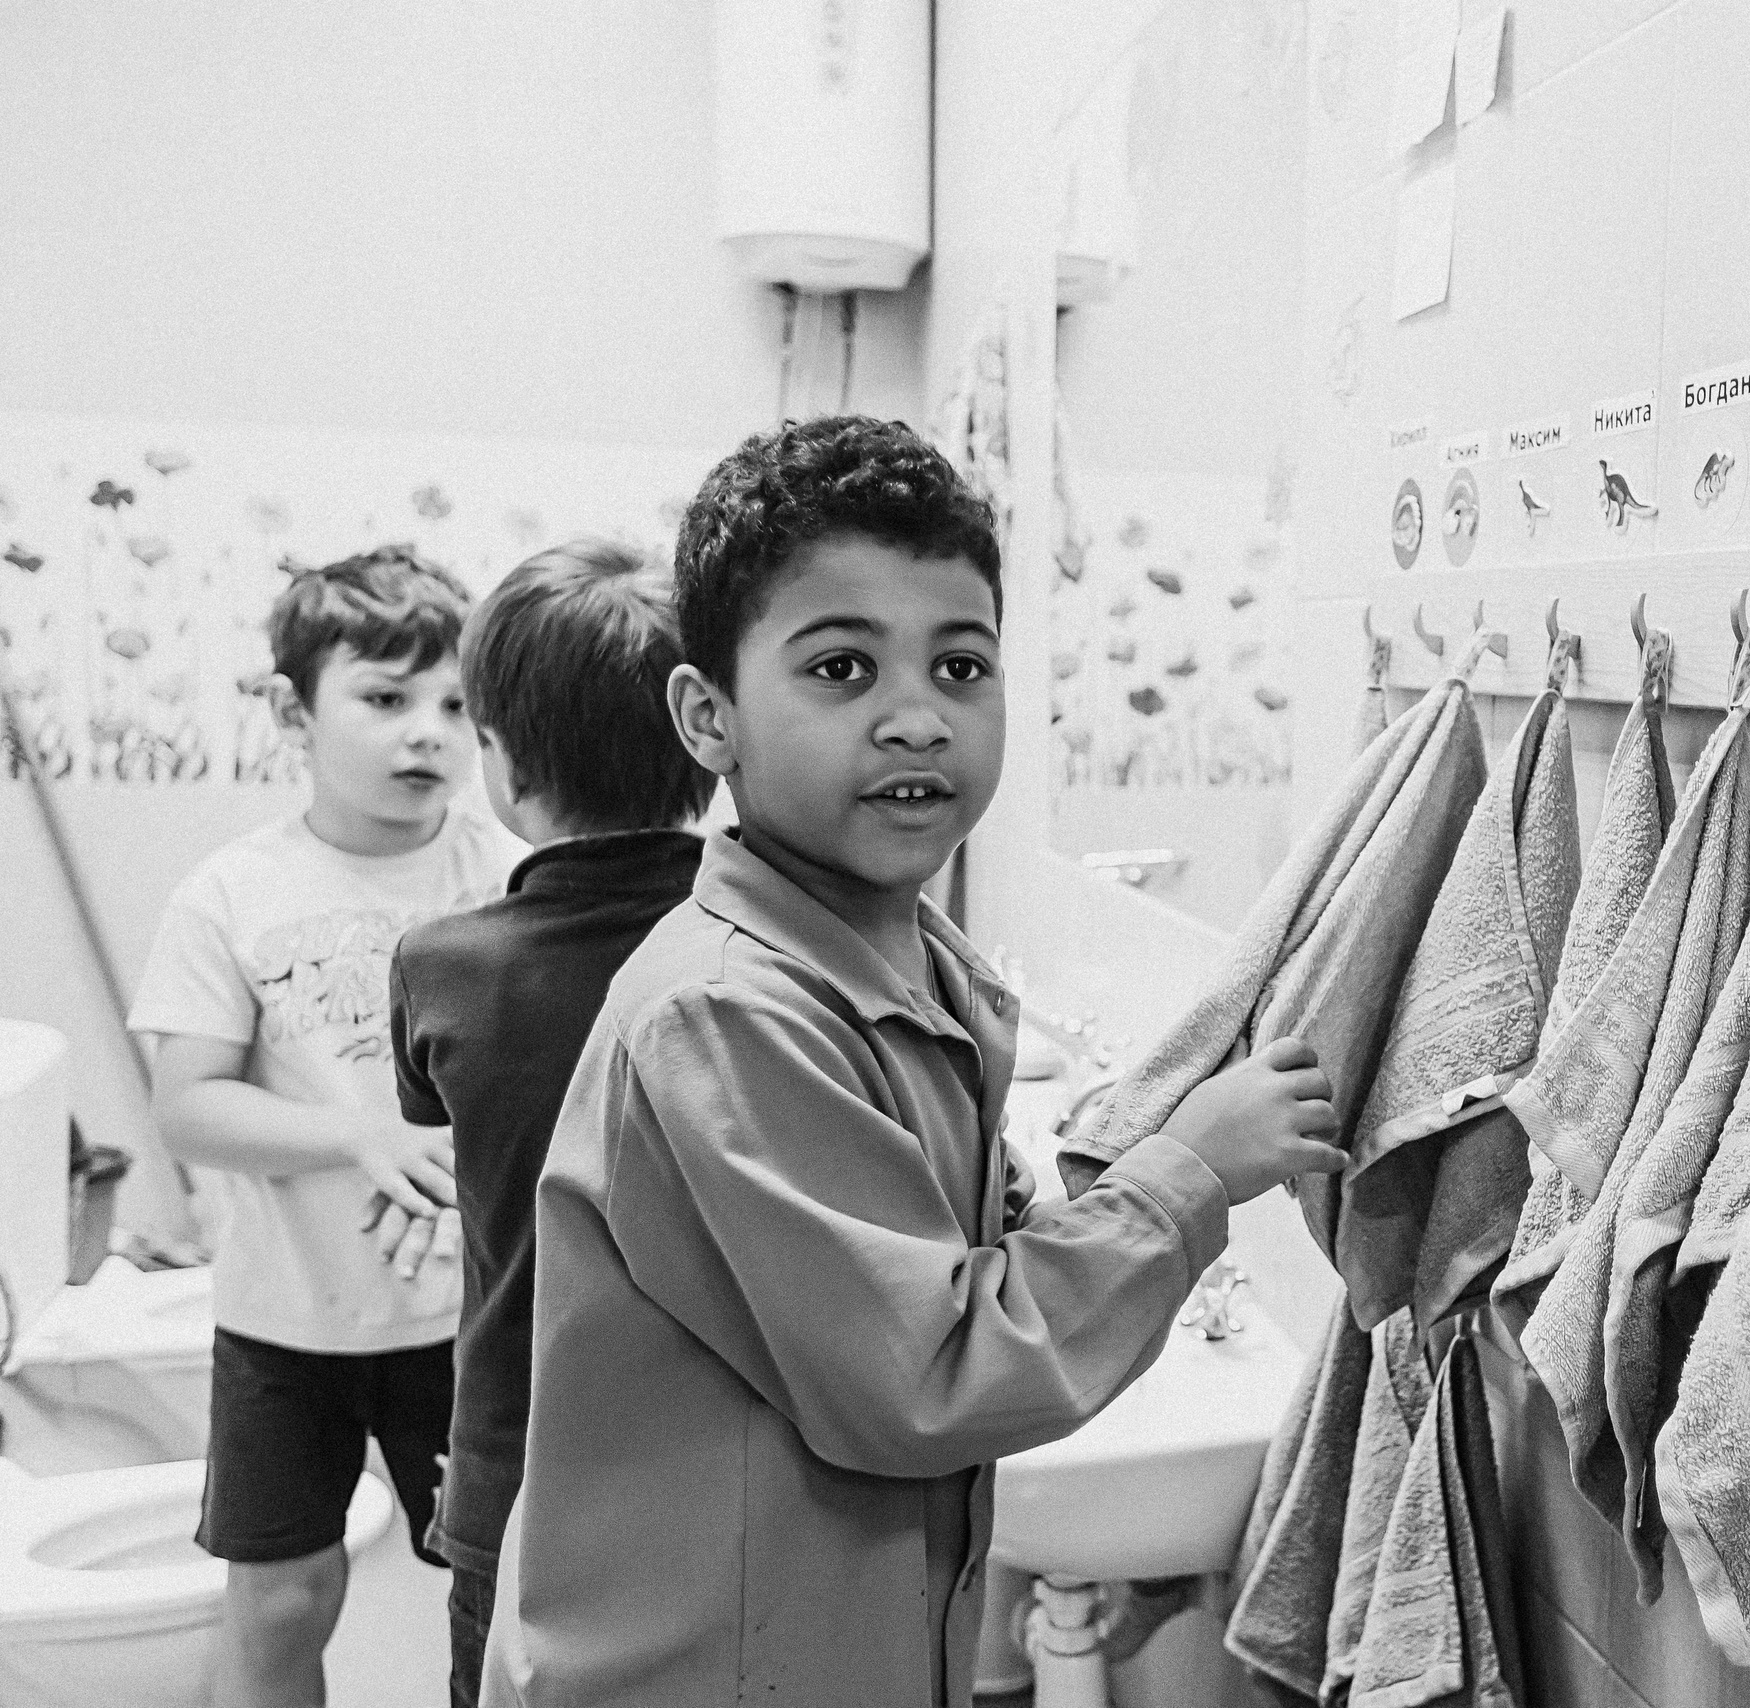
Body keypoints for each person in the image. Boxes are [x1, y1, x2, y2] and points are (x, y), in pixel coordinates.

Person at [482, 417, 1343, 1708]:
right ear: (705, 717)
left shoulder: (908, 969)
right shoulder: (726, 1018)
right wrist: (1190, 1177)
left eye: (960, 665)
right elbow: (935, 1369)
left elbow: (954, 1262)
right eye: (840, 668)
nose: (915, 720)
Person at [128, 546, 517, 1708]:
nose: (426, 734)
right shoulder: (234, 892)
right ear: (299, 712)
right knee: (285, 1600)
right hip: (285, 1325)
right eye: (386, 699)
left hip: (466, 1321)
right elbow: (187, 1104)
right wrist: (359, 1137)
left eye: (454, 705)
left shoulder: (509, 878)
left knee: (493, 1599)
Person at [380, 540, 715, 1708]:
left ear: (505, 767)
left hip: (516, 1472)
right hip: (727, 1483)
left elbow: (447, 1129)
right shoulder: (769, 958)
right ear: (706, 745)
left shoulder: (443, 969)